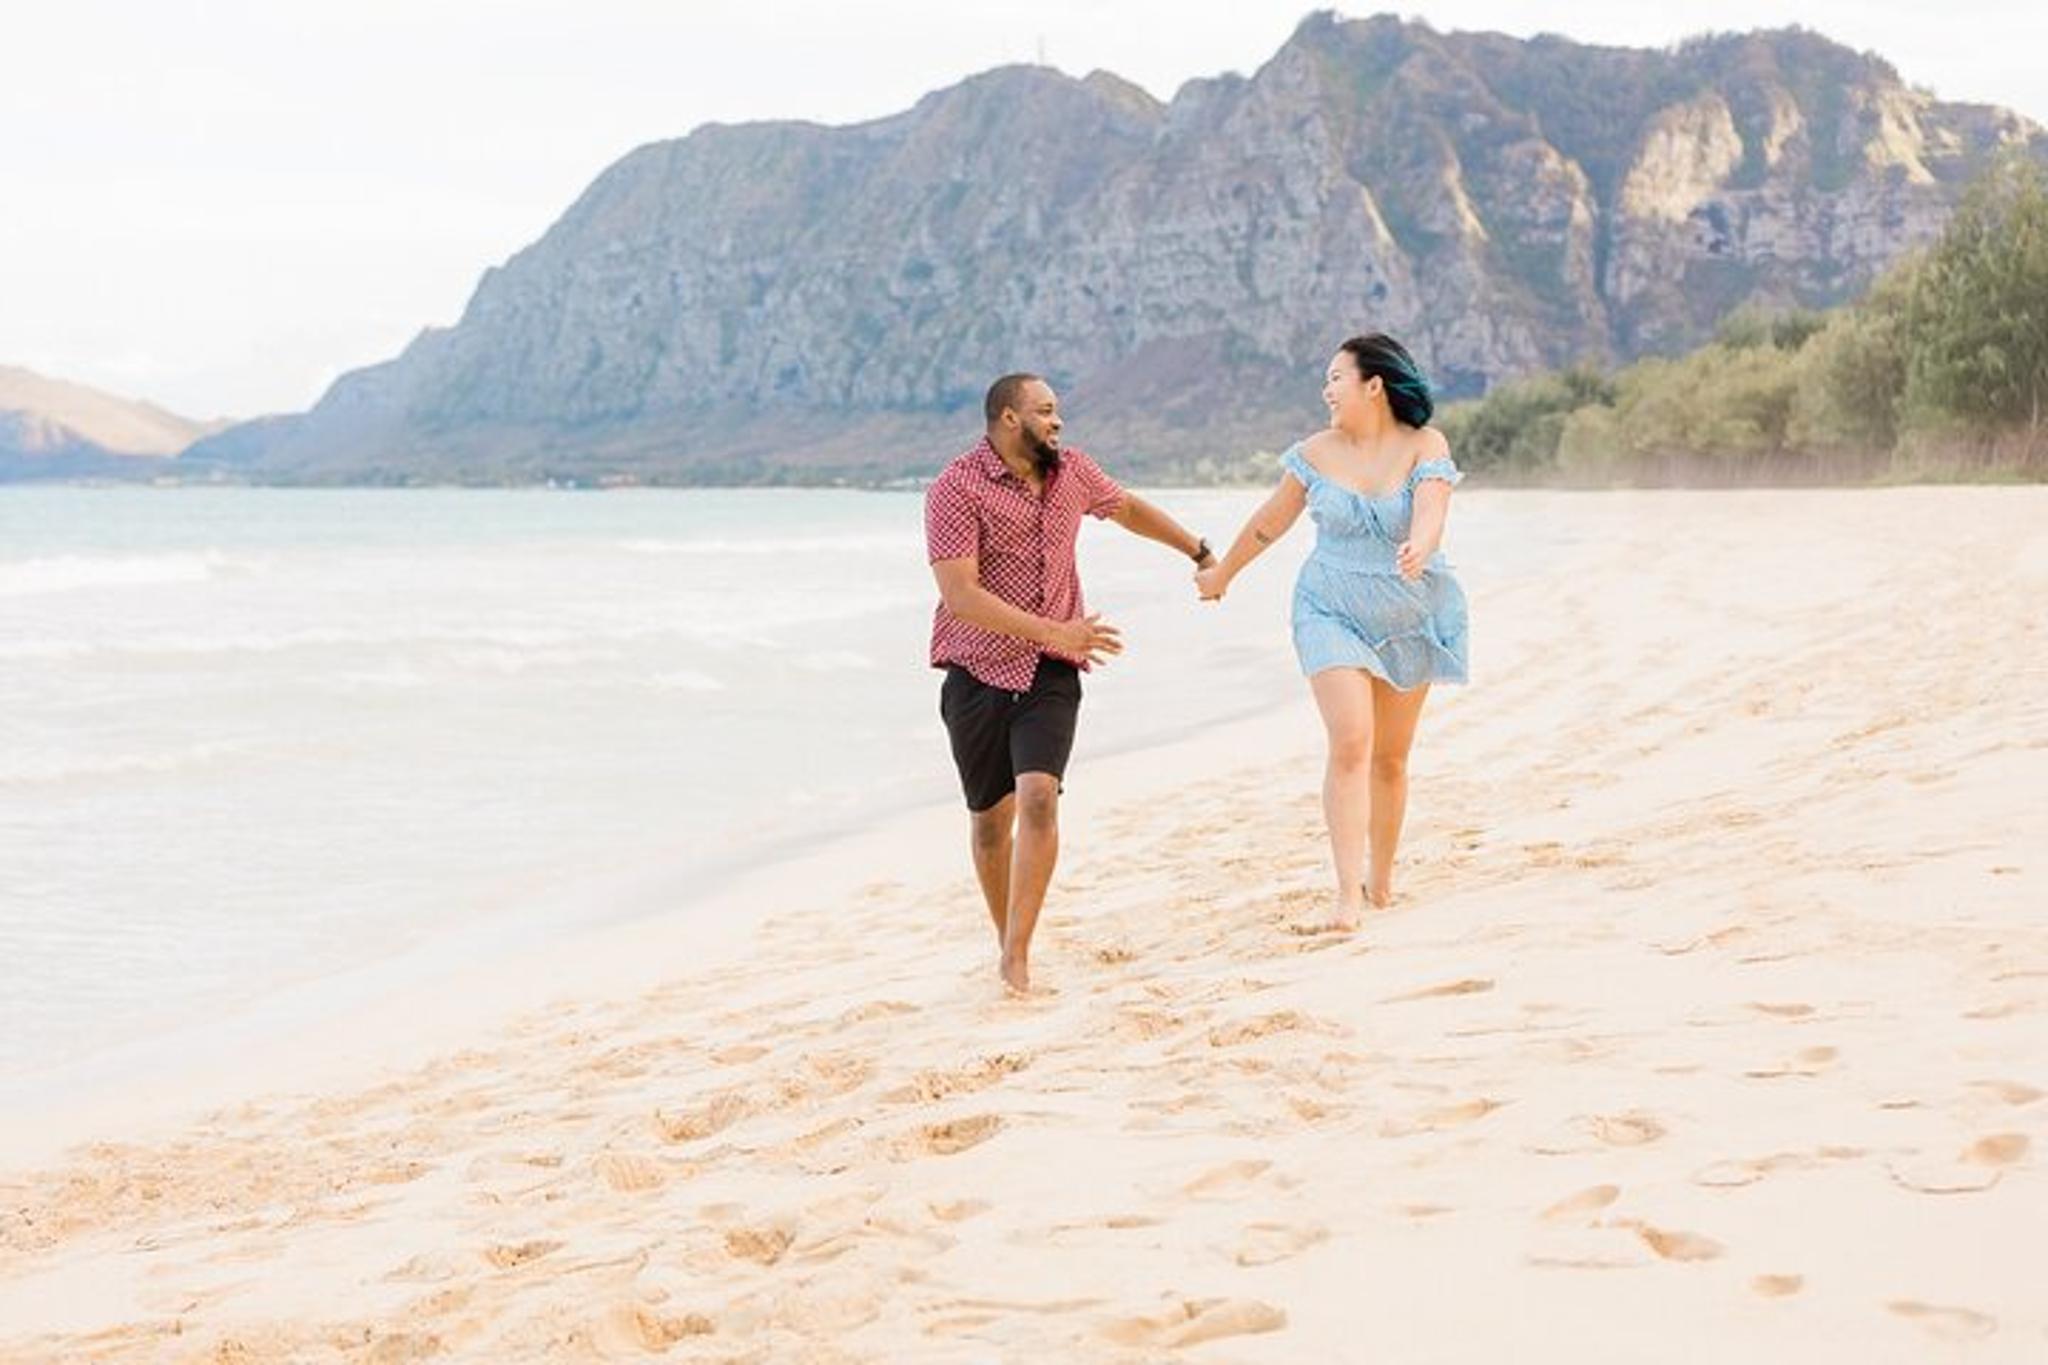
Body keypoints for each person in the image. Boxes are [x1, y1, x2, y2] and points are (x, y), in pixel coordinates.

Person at [926, 373, 1215, 993]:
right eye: (1046, 411)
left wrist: (1197, 549)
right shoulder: (955, 487)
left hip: (1051, 672)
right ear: (1009, 418)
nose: (1058, 423)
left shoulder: (1073, 472)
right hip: (974, 668)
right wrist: (1053, 630)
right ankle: (1005, 934)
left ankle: (1017, 957)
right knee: (987, 822)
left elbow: (1129, 509)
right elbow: (959, 595)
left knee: (1037, 797)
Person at [1194, 333, 1468, 931]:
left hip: (1407, 612)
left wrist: (1421, 545)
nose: (1326, 390)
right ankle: (1346, 897)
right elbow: (1271, 521)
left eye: (1335, 378)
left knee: (1390, 760)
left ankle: (1383, 880)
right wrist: (1224, 574)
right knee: (1351, 742)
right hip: (1330, 609)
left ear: (1374, 384)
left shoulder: (1425, 444)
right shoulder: (1316, 451)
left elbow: (1432, 508)